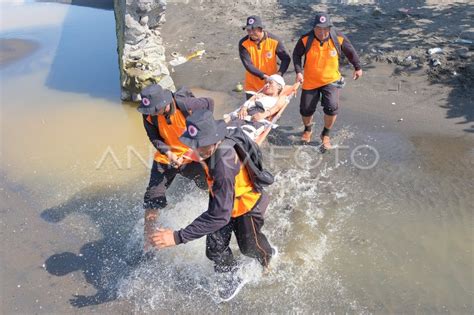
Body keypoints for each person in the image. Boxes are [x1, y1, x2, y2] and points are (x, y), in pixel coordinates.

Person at [149, 110, 274, 300]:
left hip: (245, 204)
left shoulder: (223, 164)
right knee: (214, 249)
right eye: (194, 145)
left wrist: (177, 237)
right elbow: (197, 153)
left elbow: (219, 216)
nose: (196, 150)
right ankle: (232, 276)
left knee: (250, 246)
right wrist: (184, 160)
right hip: (222, 198)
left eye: (201, 147)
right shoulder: (209, 143)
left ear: (214, 141)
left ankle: (268, 259)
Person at [138, 84, 214, 249]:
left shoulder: (185, 105)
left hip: (190, 156)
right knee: (152, 197)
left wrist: (202, 138)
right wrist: (168, 153)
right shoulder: (148, 114)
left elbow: (209, 103)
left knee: (205, 184)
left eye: (154, 109)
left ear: (165, 103)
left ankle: (216, 213)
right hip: (167, 157)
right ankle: (149, 241)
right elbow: (154, 138)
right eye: (148, 110)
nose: (150, 112)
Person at [293, 12, 363, 148]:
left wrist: (358, 67)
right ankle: (307, 129)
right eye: (319, 28)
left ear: (330, 28)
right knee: (306, 109)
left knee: (332, 108)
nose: (322, 32)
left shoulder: (338, 37)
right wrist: (298, 71)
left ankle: (325, 134)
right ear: (314, 28)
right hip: (310, 80)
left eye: (325, 28)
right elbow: (296, 54)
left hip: (331, 80)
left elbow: (351, 52)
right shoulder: (306, 39)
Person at [239, 15, 291, 100]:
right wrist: (264, 76)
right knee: (252, 111)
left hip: (271, 86)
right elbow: (248, 65)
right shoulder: (243, 43)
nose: (251, 33)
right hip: (252, 87)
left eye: (253, 30)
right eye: (248, 30)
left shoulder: (274, 40)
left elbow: (286, 58)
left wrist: (279, 74)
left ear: (260, 28)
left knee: (269, 111)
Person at [224, 74, 287, 140]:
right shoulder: (260, 95)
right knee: (227, 131)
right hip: (243, 116)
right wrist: (244, 107)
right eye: (266, 83)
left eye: (270, 83)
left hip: (256, 118)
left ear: (279, 87)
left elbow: (277, 107)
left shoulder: (280, 98)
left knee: (241, 134)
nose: (267, 85)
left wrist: (263, 115)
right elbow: (248, 102)